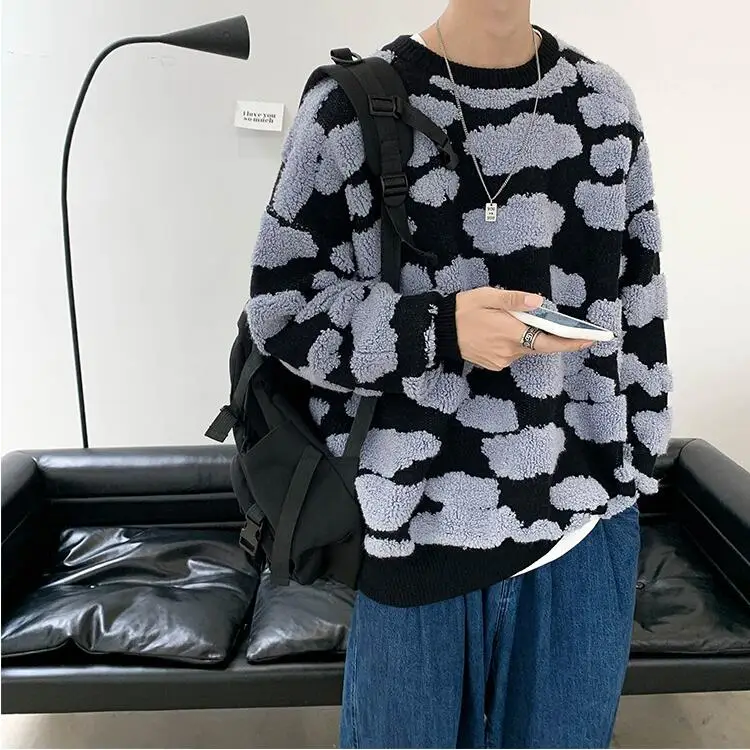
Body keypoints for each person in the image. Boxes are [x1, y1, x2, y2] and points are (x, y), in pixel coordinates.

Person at [246, 0, 671, 746]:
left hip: (580, 533)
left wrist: (633, 471)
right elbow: (282, 309)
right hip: (415, 537)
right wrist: (438, 329)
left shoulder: (603, 103)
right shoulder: (349, 109)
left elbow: (641, 306)